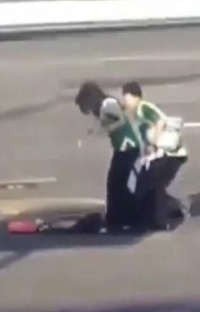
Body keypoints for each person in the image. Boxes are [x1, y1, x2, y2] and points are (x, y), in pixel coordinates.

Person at [74, 81, 144, 232]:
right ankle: (117, 217)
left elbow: (118, 122)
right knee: (115, 183)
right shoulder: (103, 107)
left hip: (128, 147)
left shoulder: (108, 105)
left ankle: (121, 217)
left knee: (117, 182)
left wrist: (101, 129)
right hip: (122, 148)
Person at [122, 81, 189, 230]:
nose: (124, 101)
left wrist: (154, 143)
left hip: (169, 153)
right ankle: (168, 211)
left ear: (133, 96)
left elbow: (159, 122)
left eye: (125, 97)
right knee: (150, 183)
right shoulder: (139, 112)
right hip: (167, 154)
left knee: (152, 183)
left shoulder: (142, 107)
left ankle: (160, 218)